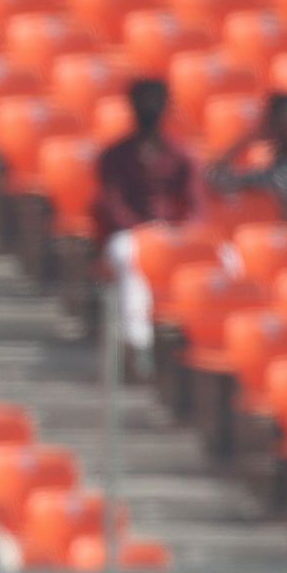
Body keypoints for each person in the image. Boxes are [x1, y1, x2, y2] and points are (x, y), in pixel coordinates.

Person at [91, 80, 204, 377]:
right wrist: (143, 231)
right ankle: (138, 343)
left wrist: (178, 232)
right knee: (129, 260)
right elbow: (110, 203)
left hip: (173, 237)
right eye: (144, 102)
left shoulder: (181, 155)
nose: (149, 109)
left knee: (226, 258)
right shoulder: (114, 156)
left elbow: (194, 205)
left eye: (155, 103)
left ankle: (207, 336)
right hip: (131, 235)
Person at [207, 91, 287, 224]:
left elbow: (217, 179)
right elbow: (214, 182)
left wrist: (246, 140)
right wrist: (248, 139)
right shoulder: (275, 172)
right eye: (282, 124)